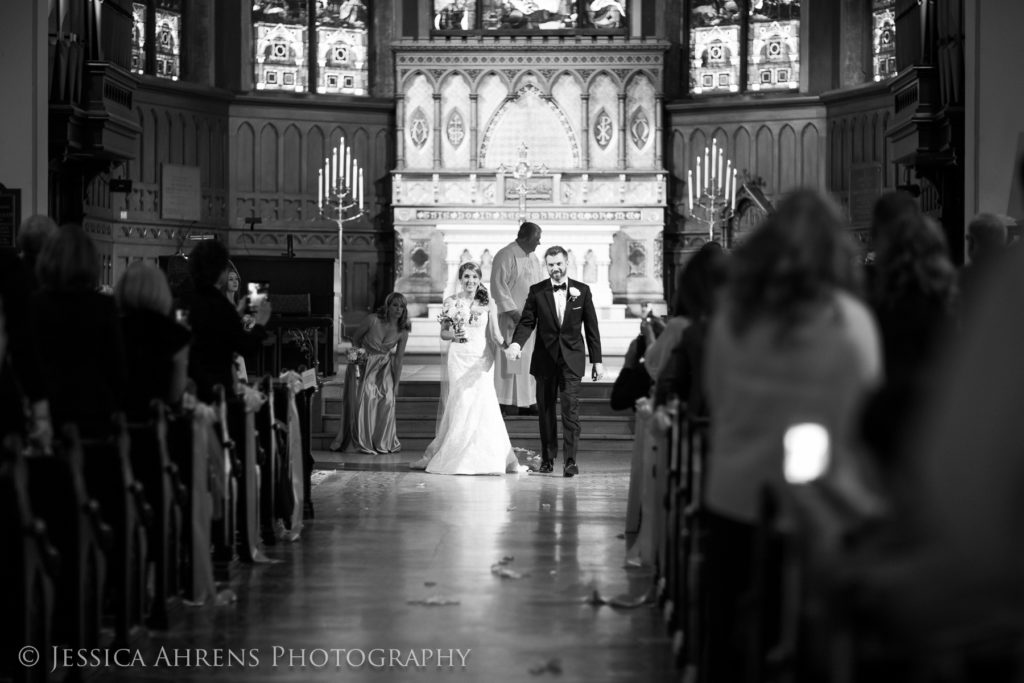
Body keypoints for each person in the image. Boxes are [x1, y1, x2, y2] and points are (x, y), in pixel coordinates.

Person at [701, 190, 881, 682]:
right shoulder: (852, 322)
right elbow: (863, 406)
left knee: (727, 635)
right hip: (819, 506)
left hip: (735, 496)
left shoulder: (734, 317)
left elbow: (717, 397)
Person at [411, 263, 518, 474]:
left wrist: (509, 348)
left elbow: (496, 335)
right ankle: (457, 453)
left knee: (482, 402)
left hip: (481, 358)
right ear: (460, 279)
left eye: (474, 276)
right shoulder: (451, 302)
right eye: (466, 276)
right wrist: (455, 334)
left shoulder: (490, 303)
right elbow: (444, 333)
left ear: (479, 279)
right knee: (461, 403)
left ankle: (488, 455)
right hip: (459, 357)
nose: (470, 280)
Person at [506, 245, 604, 477]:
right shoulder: (537, 291)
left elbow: (592, 328)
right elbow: (527, 321)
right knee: (546, 411)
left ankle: (570, 460)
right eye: (551, 265)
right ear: (546, 266)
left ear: (566, 263)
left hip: (572, 359)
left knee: (570, 409)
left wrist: (597, 361)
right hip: (545, 360)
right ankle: (548, 459)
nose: (555, 269)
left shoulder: (583, 290)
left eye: (559, 264)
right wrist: (517, 343)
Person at [31, 224, 128, 433]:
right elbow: (116, 367)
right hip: (95, 408)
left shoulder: (35, 305)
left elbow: (29, 363)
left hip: (50, 408)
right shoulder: (104, 306)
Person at [185, 240, 271, 403]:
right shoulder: (219, 305)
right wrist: (260, 323)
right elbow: (247, 347)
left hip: (189, 390)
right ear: (221, 272)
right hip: (217, 392)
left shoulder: (184, 300)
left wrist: (236, 312)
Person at [332, 292, 411, 455]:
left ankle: (380, 441)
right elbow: (355, 339)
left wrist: (396, 384)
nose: (398, 309)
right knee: (366, 397)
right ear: (387, 306)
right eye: (395, 305)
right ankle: (362, 440)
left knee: (388, 399)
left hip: (384, 367)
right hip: (363, 363)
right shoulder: (372, 319)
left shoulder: (403, 331)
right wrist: (356, 365)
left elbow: (399, 359)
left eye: (402, 306)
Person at [114, 262, 191, 420]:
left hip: (116, 421)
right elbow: (175, 394)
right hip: (157, 421)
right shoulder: (176, 333)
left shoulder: (111, 328)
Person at [490, 221, 544, 416]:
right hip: (511, 319)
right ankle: (506, 402)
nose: (539, 243)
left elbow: (539, 286)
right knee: (511, 360)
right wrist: (514, 313)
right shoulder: (506, 255)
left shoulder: (534, 257)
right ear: (525, 237)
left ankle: (527, 401)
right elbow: (498, 287)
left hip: (530, 319)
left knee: (528, 360)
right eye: (537, 239)